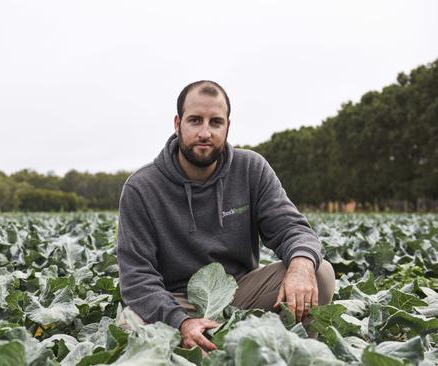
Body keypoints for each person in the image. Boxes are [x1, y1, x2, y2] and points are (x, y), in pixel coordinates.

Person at [116, 80, 335, 351]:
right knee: (131, 325)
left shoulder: (251, 169)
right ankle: (212, 346)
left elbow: (291, 227)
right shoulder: (142, 187)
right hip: (174, 299)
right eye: (195, 120)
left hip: (238, 292)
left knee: (319, 272)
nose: (205, 132)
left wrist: (301, 266)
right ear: (177, 123)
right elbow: (137, 277)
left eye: (215, 122)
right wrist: (181, 321)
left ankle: (295, 354)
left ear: (228, 126)